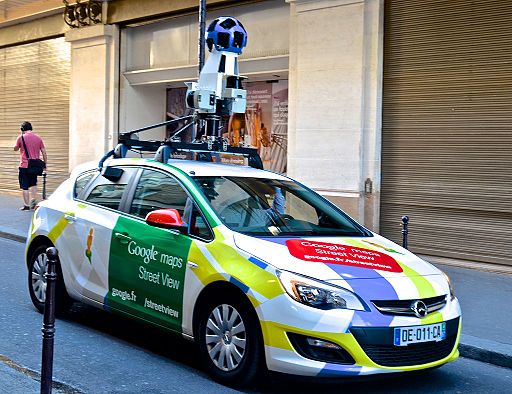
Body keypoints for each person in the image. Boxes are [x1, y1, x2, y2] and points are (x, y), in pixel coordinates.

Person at [13, 121, 47, 211]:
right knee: (33, 184)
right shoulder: (38, 138)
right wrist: (44, 165)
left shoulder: (21, 138)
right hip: (34, 166)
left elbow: (15, 149)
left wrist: (20, 139)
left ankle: (26, 205)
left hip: (24, 166)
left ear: (22, 129)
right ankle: (34, 202)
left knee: (25, 186)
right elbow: (44, 152)